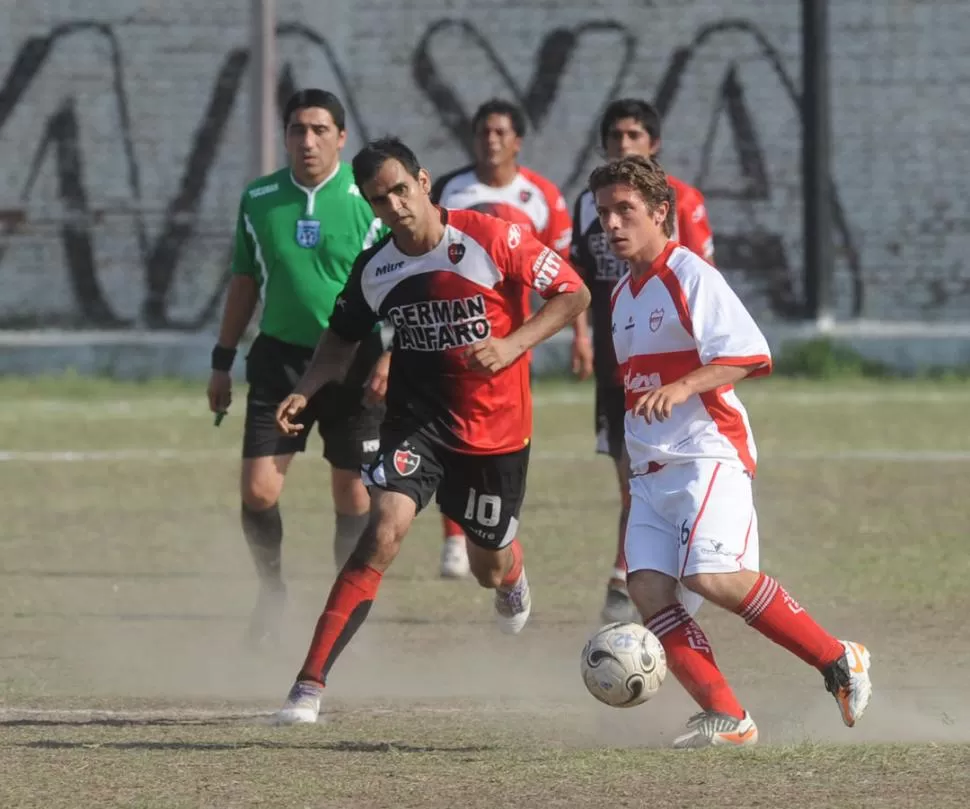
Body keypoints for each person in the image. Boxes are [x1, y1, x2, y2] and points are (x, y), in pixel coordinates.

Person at [271, 137, 591, 724]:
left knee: (485, 564)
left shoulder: (492, 238)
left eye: (400, 189)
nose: (394, 205)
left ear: (422, 181)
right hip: (416, 423)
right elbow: (341, 336)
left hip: (496, 431)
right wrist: (306, 387)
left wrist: (513, 345)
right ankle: (308, 686)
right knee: (383, 530)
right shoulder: (377, 268)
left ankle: (512, 574)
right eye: (378, 200)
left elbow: (573, 291)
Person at [590, 154, 872, 748]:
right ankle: (729, 717)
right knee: (646, 591)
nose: (612, 224)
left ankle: (838, 658)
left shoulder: (690, 275)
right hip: (650, 470)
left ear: (661, 212)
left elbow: (751, 352)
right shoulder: (619, 295)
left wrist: (685, 385)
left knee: (716, 577)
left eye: (625, 211)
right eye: (603, 213)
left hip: (706, 454)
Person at [206, 89, 389, 649]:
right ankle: (271, 589)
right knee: (259, 491)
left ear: (340, 137)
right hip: (280, 362)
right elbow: (244, 280)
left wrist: (393, 354)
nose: (306, 141)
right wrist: (222, 359)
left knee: (354, 497)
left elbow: (406, 280)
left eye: (317, 130)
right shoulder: (259, 197)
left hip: (354, 364)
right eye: (295, 130)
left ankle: (343, 607)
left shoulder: (369, 198)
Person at [430, 98, 593, 579]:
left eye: (501, 132)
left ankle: (493, 534)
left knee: (495, 444)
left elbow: (566, 275)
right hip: (449, 341)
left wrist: (579, 337)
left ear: (517, 140)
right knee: (445, 439)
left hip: (510, 344)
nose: (491, 139)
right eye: (483, 131)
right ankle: (453, 540)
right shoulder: (450, 190)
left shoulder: (541, 196)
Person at [571, 98, 715, 623]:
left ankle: (630, 574)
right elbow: (580, 278)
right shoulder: (589, 206)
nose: (624, 144)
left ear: (653, 144)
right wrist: (581, 334)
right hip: (618, 363)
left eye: (634, 135)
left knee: (656, 481)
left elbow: (702, 279)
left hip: (672, 371)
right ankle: (640, 575)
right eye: (615, 136)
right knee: (632, 478)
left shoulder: (683, 201)